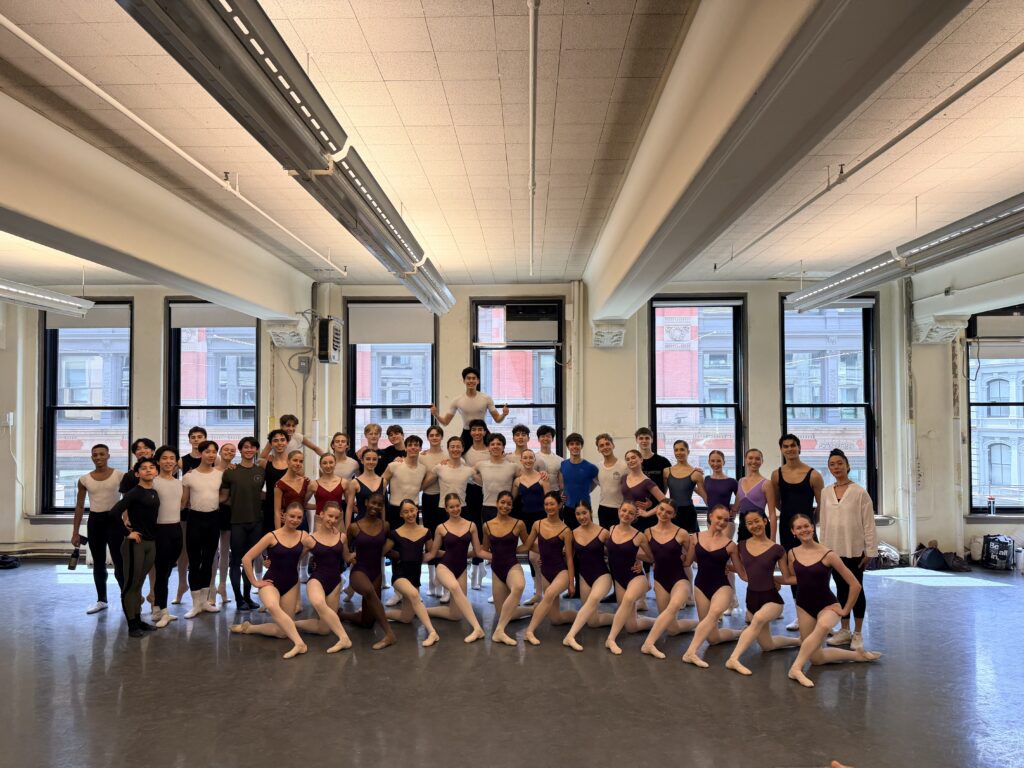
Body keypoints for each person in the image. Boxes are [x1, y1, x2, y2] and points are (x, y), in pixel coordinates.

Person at [783, 514, 881, 687]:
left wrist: (845, 611)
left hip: (827, 604)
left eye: (806, 526)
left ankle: (796, 668)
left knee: (823, 626)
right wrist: (773, 580)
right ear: (793, 532)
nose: (803, 530)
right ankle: (857, 655)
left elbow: (855, 585)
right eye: (798, 527)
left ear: (813, 527)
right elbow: (797, 579)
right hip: (803, 605)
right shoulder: (792, 554)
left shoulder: (828, 554)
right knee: (816, 658)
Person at [725, 509, 801, 675]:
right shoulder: (741, 546)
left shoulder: (778, 549)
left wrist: (802, 578)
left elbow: (787, 578)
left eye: (757, 521)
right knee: (768, 645)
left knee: (757, 620)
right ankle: (799, 641)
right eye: (749, 523)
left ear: (765, 521)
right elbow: (744, 572)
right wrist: (725, 567)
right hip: (751, 600)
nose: (754, 525)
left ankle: (733, 659)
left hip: (772, 599)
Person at [232, 501, 312, 659]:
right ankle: (299, 643)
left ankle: (248, 628)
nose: (295, 520)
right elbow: (247, 558)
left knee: (282, 632)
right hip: (271, 582)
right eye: (292, 516)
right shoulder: (272, 536)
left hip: (291, 583)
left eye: (299, 517)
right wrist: (255, 582)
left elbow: (319, 546)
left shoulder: (304, 536)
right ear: (284, 516)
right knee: (271, 605)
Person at [819, 448, 877, 652]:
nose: (836, 467)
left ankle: (858, 633)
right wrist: (823, 551)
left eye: (839, 463)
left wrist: (870, 550)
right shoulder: (826, 492)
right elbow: (823, 523)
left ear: (847, 465)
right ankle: (844, 630)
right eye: (832, 464)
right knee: (841, 589)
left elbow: (869, 523)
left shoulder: (860, 492)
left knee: (856, 589)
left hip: (854, 550)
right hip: (834, 550)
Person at [681, 504, 744, 667]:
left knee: (714, 614)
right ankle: (740, 633)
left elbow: (741, 572)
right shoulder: (695, 537)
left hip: (722, 586)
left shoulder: (731, 545)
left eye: (726, 519)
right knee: (712, 638)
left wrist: (770, 579)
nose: (722, 522)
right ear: (710, 517)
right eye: (719, 518)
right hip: (701, 586)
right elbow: (687, 561)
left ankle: (690, 652)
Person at [772, 434, 823, 630]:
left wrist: (810, 524)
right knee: (793, 570)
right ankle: (800, 614)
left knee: (813, 569)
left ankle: (820, 611)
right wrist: (789, 519)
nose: (790, 449)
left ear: (799, 448)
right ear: (781, 450)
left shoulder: (813, 475)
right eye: (785, 446)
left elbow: (821, 504)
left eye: (793, 446)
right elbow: (777, 502)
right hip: (787, 528)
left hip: (807, 530)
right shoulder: (777, 474)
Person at [424, 493, 488, 643]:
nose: (455, 509)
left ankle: (421, 610)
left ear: (461, 505)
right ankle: (477, 628)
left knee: (456, 614)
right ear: (446, 508)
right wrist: (410, 559)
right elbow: (433, 552)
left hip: (461, 568)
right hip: (445, 566)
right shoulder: (441, 527)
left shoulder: (471, 525)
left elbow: (478, 551)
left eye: (457, 506)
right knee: (454, 587)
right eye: (451, 507)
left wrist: (496, 557)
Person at [71, 443, 125, 615]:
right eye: (95, 455)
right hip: (95, 522)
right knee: (98, 563)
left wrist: (127, 520)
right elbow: (79, 506)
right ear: (91, 457)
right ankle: (102, 600)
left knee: (119, 562)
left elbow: (128, 501)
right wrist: (75, 532)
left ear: (108, 456)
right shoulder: (84, 479)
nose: (99, 457)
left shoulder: (119, 475)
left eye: (102, 454)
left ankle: (127, 599)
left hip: (115, 521)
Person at [639, 500, 697, 659]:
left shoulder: (682, 533)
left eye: (668, 512)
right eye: (662, 509)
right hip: (660, 580)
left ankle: (648, 644)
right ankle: (700, 623)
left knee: (673, 607)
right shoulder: (648, 532)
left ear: (674, 515)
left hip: (679, 579)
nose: (664, 514)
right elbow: (648, 556)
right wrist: (630, 557)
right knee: (672, 629)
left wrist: (689, 556)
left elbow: (694, 557)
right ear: (657, 509)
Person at [338, 493, 396, 649]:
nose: (375, 507)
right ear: (366, 502)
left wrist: (389, 550)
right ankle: (389, 634)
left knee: (368, 622)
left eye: (379, 504)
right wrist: (348, 556)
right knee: (369, 592)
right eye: (373, 503)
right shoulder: (354, 527)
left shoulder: (385, 526)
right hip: (359, 571)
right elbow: (344, 547)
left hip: (376, 573)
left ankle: (341, 615)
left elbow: (391, 541)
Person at [292, 501, 352, 653]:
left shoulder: (342, 537)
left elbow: (347, 557)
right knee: (319, 603)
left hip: (335, 582)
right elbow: (295, 558)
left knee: (324, 629)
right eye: (329, 516)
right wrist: (272, 561)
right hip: (317, 579)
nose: (332, 520)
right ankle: (344, 639)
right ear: (322, 515)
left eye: (336, 518)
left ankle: (291, 624)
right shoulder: (311, 539)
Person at [519, 491, 577, 645]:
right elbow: (528, 546)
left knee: (549, 594)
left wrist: (571, 583)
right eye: (546, 504)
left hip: (561, 572)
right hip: (546, 572)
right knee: (556, 619)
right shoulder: (538, 524)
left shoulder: (566, 531)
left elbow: (569, 558)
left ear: (559, 505)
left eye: (552, 504)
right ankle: (582, 616)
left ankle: (529, 631)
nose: (549, 507)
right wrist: (506, 549)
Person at [112, 458, 161, 638]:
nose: (148, 470)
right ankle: (132, 625)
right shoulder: (134, 492)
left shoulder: (154, 492)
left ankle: (138, 619)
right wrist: (127, 533)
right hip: (136, 543)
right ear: (137, 473)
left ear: (156, 472)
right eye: (144, 468)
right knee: (130, 584)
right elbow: (114, 513)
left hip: (150, 542)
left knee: (139, 583)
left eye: (151, 468)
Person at [384, 499, 441, 647]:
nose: (410, 514)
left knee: (406, 617)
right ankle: (432, 632)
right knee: (416, 595)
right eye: (406, 511)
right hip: (399, 575)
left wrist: (453, 553)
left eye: (412, 510)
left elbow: (431, 553)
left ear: (417, 510)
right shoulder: (395, 533)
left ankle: (377, 613)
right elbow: (382, 551)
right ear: (401, 514)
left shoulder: (425, 532)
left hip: (415, 576)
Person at [603, 502, 656, 655]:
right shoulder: (611, 529)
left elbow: (651, 557)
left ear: (634, 517)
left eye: (631, 513)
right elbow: (610, 552)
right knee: (631, 627)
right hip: (619, 579)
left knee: (628, 600)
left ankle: (611, 639)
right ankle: (659, 622)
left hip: (636, 577)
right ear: (619, 511)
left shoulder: (639, 535)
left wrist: (639, 560)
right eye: (624, 510)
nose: (626, 514)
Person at [219, 436, 265, 611]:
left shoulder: (261, 471)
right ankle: (238, 599)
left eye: (253, 447)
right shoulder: (231, 471)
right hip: (237, 522)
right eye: (246, 447)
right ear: (240, 449)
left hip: (256, 522)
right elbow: (223, 497)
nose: (249, 450)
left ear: (256, 450)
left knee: (250, 560)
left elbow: (260, 494)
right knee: (236, 560)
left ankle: (247, 596)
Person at [482, 491, 533, 645]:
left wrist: (515, 551)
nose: (505, 506)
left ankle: (499, 631)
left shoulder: (519, 524)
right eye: (502, 502)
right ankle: (534, 610)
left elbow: (528, 544)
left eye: (509, 504)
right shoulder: (487, 525)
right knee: (503, 612)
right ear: (497, 503)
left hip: (512, 565)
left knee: (519, 586)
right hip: (497, 570)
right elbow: (485, 549)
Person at [561, 501, 614, 651]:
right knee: (592, 621)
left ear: (590, 512)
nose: (581, 517)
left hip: (602, 575)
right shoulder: (572, 533)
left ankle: (570, 636)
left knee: (593, 600)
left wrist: (635, 561)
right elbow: (570, 560)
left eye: (584, 513)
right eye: (578, 514)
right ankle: (621, 618)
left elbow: (618, 552)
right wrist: (571, 583)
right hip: (584, 577)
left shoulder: (603, 532)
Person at [471, 432, 520, 590]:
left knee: (506, 548)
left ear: (503, 447)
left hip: (506, 510)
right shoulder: (481, 465)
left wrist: (511, 498)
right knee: (492, 549)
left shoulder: (512, 466)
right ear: (488, 447)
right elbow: (469, 473)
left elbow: (521, 480)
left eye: (499, 444)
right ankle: (497, 585)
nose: (495, 446)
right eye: (492, 444)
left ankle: (508, 582)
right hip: (488, 508)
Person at [181, 440, 223, 619]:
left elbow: (222, 494)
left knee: (208, 560)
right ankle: (195, 603)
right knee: (194, 560)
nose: (211, 455)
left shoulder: (220, 474)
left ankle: (205, 602)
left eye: (214, 452)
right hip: (195, 519)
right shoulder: (189, 476)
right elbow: (184, 501)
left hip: (213, 518)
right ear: (201, 453)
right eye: (207, 451)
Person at [431, 436, 475, 600]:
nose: (455, 449)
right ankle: (445, 585)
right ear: (448, 448)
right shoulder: (439, 468)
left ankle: (458, 581)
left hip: (462, 510)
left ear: (462, 449)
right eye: (452, 446)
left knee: (459, 550)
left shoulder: (469, 470)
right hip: (443, 510)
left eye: (458, 446)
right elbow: (422, 484)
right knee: (444, 549)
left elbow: (486, 481)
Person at [430, 365, 510, 450]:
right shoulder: (457, 400)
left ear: (478, 381)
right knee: (458, 453)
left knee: (496, 451)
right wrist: (436, 414)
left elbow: (497, 419)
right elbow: (445, 422)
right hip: (466, 433)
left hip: (483, 432)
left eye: (473, 378)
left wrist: (504, 414)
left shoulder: (486, 398)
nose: (471, 381)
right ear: (464, 381)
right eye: (468, 378)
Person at [151, 445, 184, 627]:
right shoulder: (153, 482)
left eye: (172, 458)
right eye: (164, 458)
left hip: (175, 529)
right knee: (162, 572)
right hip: (159, 531)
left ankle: (157, 607)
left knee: (167, 570)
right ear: (158, 461)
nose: (168, 461)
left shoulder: (179, 483)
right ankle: (163, 610)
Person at [512, 448, 549, 603]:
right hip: (524, 521)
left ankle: (545, 592)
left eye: (530, 458)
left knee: (538, 556)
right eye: (525, 458)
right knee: (530, 556)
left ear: (534, 460)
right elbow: (512, 502)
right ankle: (538, 591)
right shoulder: (517, 481)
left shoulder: (542, 479)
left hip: (540, 520)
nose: (527, 460)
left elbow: (549, 503)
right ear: (521, 461)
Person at [210, 441, 237, 605]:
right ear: (220, 451)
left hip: (228, 512)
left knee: (226, 551)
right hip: (213, 511)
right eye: (226, 449)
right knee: (213, 552)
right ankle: (212, 588)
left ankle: (222, 586)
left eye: (232, 450)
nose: (229, 452)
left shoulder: (235, 470)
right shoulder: (212, 471)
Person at [664, 440, 706, 534]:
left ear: (688, 451)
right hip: (672, 512)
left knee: (690, 545)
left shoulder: (696, 474)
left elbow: (703, 494)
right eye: (676, 450)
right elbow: (662, 495)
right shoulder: (666, 471)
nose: (679, 452)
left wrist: (713, 510)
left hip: (688, 513)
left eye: (682, 449)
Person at [736, 448, 777, 543]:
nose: (753, 461)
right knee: (743, 555)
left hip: (760, 525)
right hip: (744, 525)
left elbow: (772, 513)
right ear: (745, 460)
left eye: (757, 459)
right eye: (750, 458)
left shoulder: (767, 484)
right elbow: (736, 506)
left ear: (762, 461)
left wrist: (773, 539)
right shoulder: (741, 481)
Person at [560, 433, 598, 530]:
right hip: (568, 508)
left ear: (581, 446)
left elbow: (597, 482)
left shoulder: (590, 467)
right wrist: (562, 494)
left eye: (577, 444)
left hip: (584, 509)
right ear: (568, 447)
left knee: (587, 537)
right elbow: (563, 484)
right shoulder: (563, 464)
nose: (575, 446)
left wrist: (587, 490)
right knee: (570, 538)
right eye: (572, 444)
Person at [595, 434, 628, 530]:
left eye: (607, 444)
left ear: (613, 445)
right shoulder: (597, 467)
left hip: (620, 509)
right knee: (606, 539)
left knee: (620, 539)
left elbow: (634, 485)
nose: (605, 447)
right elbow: (598, 483)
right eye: (601, 445)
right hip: (603, 508)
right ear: (598, 450)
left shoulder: (624, 466)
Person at [274, 450, 313, 531]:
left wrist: (321, 506)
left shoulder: (306, 482)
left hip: (303, 521)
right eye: (295, 460)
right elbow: (277, 512)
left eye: (301, 461)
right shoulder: (279, 484)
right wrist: (278, 534)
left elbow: (304, 504)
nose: (298, 463)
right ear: (288, 461)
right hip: (287, 523)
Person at [260, 413, 325, 459]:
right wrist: (272, 459)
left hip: (292, 467)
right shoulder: (275, 438)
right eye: (288, 425)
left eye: (293, 426)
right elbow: (262, 457)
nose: (291, 429)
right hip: (278, 467)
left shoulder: (298, 437)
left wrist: (326, 457)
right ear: (281, 426)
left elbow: (315, 448)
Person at [419, 425, 447, 529]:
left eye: (437, 435)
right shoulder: (421, 457)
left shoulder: (448, 456)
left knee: (444, 530)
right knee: (429, 529)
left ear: (441, 437)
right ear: (428, 438)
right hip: (428, 498)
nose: (434, 437)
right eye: (431, 435)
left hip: (444, 497)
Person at [347, 448, 384, 524]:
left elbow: (383, 507)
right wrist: (348, 530)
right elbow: (350, 508)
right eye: (368, 459)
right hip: (360, 524)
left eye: (374, 459)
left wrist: (383, 525)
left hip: (378, 524)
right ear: (362, 461)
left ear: (377, 461)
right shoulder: (354, 482)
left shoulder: (383, 481)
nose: (371, 462)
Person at [311, 453, 347, 530]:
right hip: (320, 520)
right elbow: (304, 503)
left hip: (338, 519)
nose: (328, 466)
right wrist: (319, 506)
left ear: (335, 464)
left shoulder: (343, 482)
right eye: (324, 463)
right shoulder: (313, 484)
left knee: (339, 541)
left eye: (331, 462)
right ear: (320, 465)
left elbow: (349, 504)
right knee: (320, 542)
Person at [635, 427, 671, 493]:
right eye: (641, 438)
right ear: (636, 440)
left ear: (652, 440)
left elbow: (667, 484)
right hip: (638, 502)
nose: (644, 441)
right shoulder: (633, 462)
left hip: (659, 501)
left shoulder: (663, 461)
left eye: (647, 438)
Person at [534, 424, 563, 496]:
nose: (545, 438)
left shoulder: (560, 460)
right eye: (542, 436)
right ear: (538, 439)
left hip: (555, 494)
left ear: (552, 439)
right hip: (537, 493)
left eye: (548, 436)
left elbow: (561, 484)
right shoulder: (533, 458)